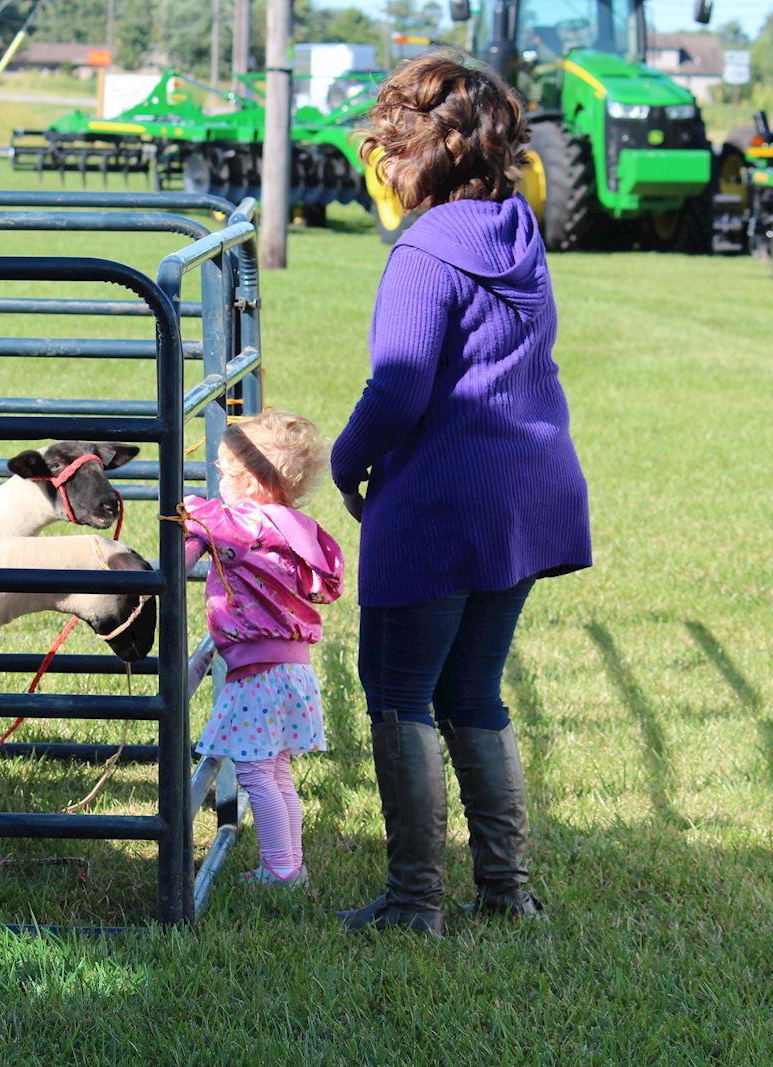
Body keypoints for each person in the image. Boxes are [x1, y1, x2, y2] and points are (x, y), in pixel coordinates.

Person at [330, 51, 591, 935]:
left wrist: (346, 461)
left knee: (399, 691)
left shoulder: (423, 254)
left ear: (417, 151)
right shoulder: (520, 231)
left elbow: (400, 387)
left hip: (444, 499)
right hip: (528, 491)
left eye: (386, 139)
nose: (379, 155)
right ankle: (507, 893)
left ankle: (414, 903)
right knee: (472, 690)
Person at [181, 409, 344, 887]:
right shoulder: (295, 525)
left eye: (224, 473)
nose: (218, 483)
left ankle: (281, 870)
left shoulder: (247, 523)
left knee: (255, 774)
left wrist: (184, 508)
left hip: (258, 673)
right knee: (277, 772)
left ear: (250, 482)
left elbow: (209, 521)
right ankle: (291, 867)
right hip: (293, 670)